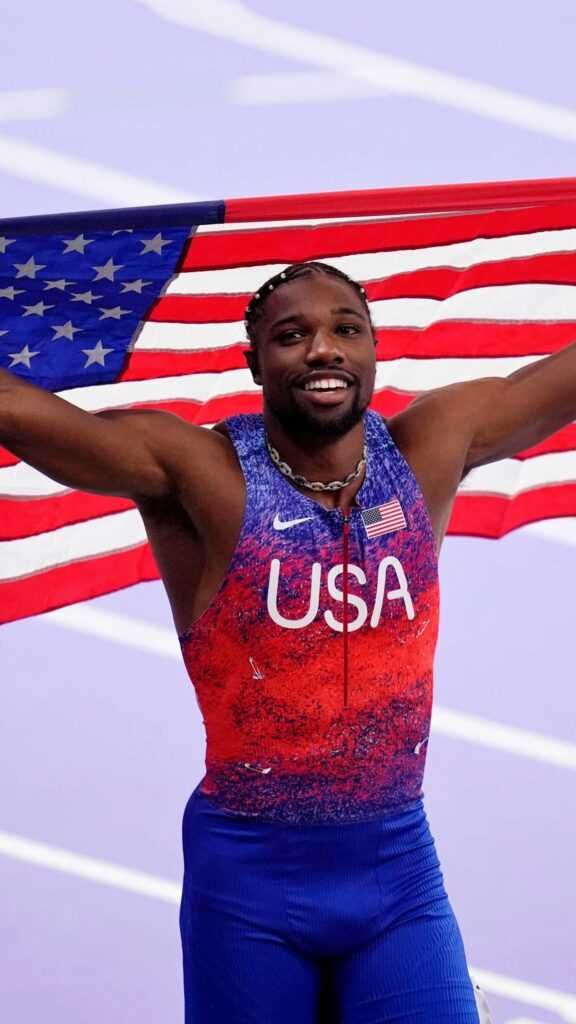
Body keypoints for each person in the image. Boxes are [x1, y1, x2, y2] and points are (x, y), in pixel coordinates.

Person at [5, 257, 570, 1022]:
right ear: (255, 362)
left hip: (396, 870)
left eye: (346, 329)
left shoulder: (428, 450)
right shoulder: (197, 474)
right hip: (249, 883)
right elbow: (18, 412)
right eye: (292, 335)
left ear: (372, 350)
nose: (324, 349)